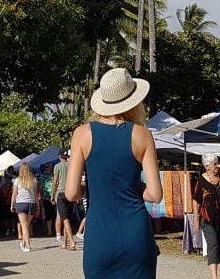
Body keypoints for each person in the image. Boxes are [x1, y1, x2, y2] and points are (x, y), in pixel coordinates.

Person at [65, 68, 162, 278]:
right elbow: (155, 195)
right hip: (136, 233)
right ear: (134, 101)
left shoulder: (82, 134)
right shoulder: (142, 135)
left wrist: (92, 187)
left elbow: (71, 193)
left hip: (99, 234)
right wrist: (137, 189)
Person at [192, 153, 220, 279]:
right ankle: (214, 276)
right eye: (215, 164)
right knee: (213, 245)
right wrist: (196, 220)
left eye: (217, 163)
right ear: (207, 166)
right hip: (207, 218)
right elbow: (196, 200)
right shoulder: (201, 181)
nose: (217, 166)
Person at [10, 162, 40, 252]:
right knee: (26, 225)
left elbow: (14, 194)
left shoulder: (17, 180)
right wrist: (38, 206)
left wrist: (12, 204)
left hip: (20, 203)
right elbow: (36, 194)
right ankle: (23, 242)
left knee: (24, 225)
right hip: (31, 203)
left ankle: (27, 245)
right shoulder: (33, 180)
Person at [52, 150, 75, 249]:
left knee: (64, 218)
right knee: (68, 218)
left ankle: (72, 240)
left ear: (59, 156)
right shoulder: (71, 165)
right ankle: (65, 243)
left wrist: (52, 194)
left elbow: (55, 182)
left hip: (61, 192)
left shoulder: (57, 166)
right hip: (70, 193)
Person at [37, 163, 56, 237]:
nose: (46, 168)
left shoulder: (55, 176)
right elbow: (40, 188)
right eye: (45, 167)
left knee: (56, 215)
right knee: (48, 215)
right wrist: (40, 198)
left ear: (52, 168)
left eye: (48, 167)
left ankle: (56, 229)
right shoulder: (42, 177)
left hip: (55, 197)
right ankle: (49, 231)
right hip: (46, 198)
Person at [0, 165, 16, 237]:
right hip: (5, 203)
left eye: (9, 178)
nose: (8, 179)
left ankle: (13, 229)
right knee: (7, 218)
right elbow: (0, 194)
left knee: (12, 218)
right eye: (7, 178)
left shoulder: (13, 186)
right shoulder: (3, 186)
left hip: (12, 203)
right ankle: (8, 230)